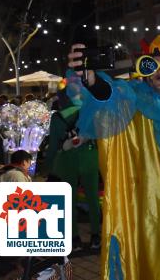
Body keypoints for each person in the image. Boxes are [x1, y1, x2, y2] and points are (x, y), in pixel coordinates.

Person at [67, 34, 160, 280]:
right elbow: (108, 95)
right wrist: (92, 80)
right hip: (139, 203)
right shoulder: (131, 97)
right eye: (151, 64)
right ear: (144, 71)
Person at [45, 88, 101, 251]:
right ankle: (96, 237)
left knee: (69, 200)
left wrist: (48, 165)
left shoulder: (57, 117)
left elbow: (54, 145)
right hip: (90, 157)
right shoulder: (89, 114)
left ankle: (74, 239)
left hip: (66, 160)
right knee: (92, 198)